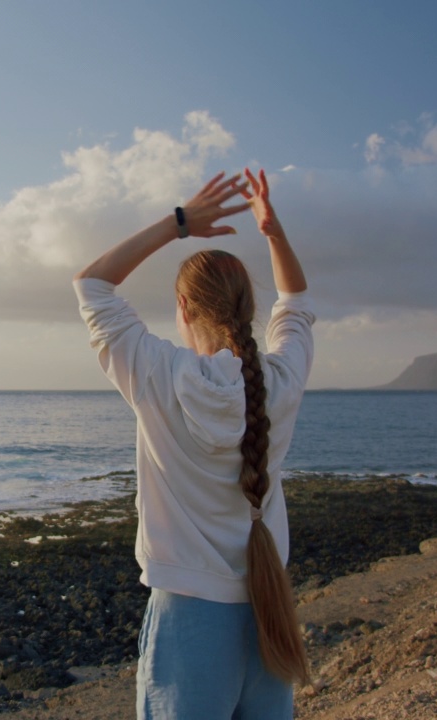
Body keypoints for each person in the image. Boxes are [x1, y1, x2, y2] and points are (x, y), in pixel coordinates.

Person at [73, 168, 314, 719]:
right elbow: (296, 302)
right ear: (248, 309)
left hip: (188, 619)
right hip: (268, 611)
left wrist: (179, 224)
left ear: (182, 310)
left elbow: (91, 283)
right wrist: (272, 232)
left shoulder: (157, 373)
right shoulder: (280, 381)